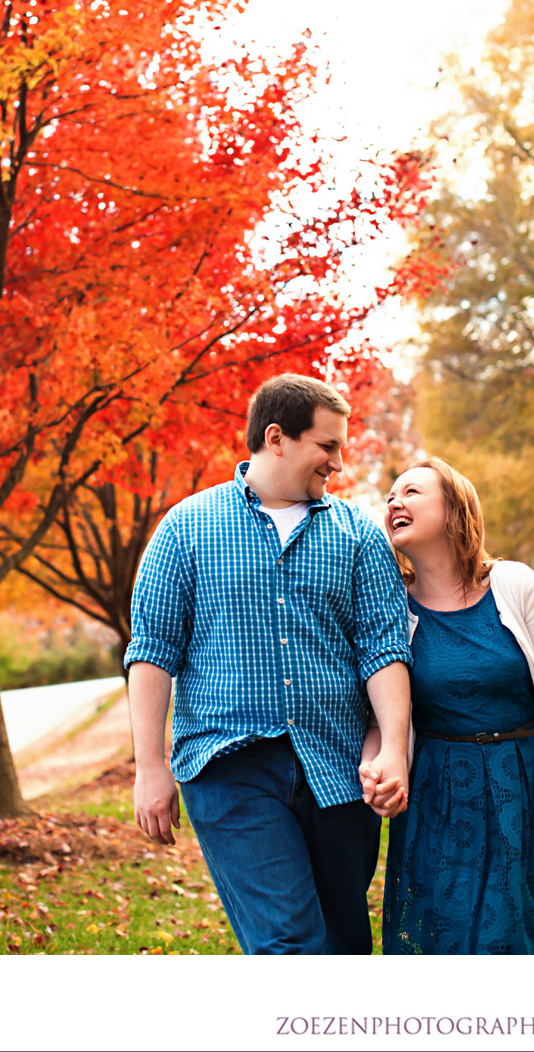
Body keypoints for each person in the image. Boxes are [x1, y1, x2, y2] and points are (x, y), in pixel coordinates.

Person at [125, 373, 412, 954]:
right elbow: (151, 653)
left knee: (345, 943)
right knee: (290, 944)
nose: (337, 461)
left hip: (336, 768)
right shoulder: (184, 529)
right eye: (327, 445)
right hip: (229, 765)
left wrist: (393, 750)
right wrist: (148, 766)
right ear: (277, 437)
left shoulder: (358, 535)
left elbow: (384, 651)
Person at [361, 457, 534, 955]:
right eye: (389, 496)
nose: (394, 502)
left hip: (529, 793)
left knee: (527, 943)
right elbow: (380, 714)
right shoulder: (391, 606)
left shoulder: (517, 587)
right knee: (451, 946)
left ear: (455, 507)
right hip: (441, 804)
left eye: (411, 491)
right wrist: (376, 766)